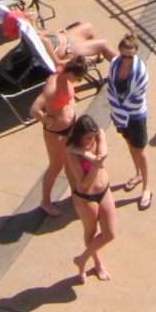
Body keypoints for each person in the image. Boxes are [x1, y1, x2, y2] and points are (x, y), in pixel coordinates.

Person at [31, 56, 87, 218]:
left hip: (70, 127)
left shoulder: (65, 71)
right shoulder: (52, 88)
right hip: (56, 133)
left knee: (72, 160)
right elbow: (34, 109)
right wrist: (45, 119)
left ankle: (74, 191)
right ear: (71, 74)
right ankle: (45, 202)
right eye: (78, 78)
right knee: (56, 166)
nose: (78, 81)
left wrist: (70, 102)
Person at [63, 115, 117, 281]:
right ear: (79, 136)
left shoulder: (98, 134)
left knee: (110, 234)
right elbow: (84, 183)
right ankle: (97, 263)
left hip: (104, 191)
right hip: (86, 197)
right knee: (91, 232)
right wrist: (94, 165)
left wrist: (87, 153)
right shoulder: (72, 154)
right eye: (87, 138)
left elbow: (103, 153)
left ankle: (81, 259)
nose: (92, 139)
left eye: (93, 136)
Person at [104, 35, 152, 208]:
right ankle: (138, 174)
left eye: (130, 56)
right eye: (124, 55)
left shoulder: (140, 70)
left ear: (135, 54)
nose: (126, 59)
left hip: (135, 114)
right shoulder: (115, 63)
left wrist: (121, 108)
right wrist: (117, 108)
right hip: (121, 113)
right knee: (130, 143)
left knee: (140, 149)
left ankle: (147, 187)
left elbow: (137, 95)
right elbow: (110, 86)